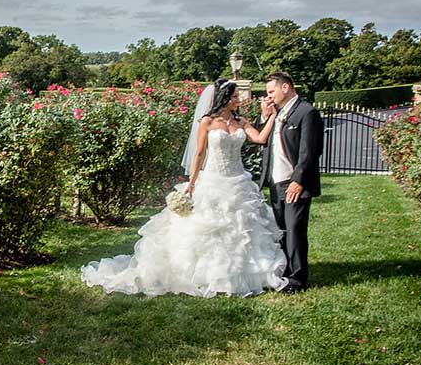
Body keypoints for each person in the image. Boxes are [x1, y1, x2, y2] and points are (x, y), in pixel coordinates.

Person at [81, 79, 288, 297]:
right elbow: (199, 153)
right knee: (206, 228)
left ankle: (246, 274)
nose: (239, 100)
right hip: (213, 179)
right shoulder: (207, 121)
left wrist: (272, 115)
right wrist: (192, 183)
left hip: (238, 182)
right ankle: (203, 275)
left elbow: (260, 138)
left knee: (243, 230)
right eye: (235, 96)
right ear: (224, 98)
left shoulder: (241, 122)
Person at [258, 72, 324, 294]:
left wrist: (298, 180)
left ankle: (297, 279)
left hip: (294, 183)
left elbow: (309, 151)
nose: (268, 96)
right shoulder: (276, 113)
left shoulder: (307, 112)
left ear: (285, 87)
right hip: (275, 182)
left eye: (271, 91)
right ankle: (284, 273)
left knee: (295, 230)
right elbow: (263, 143)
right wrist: (265, 116)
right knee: (282, 231)